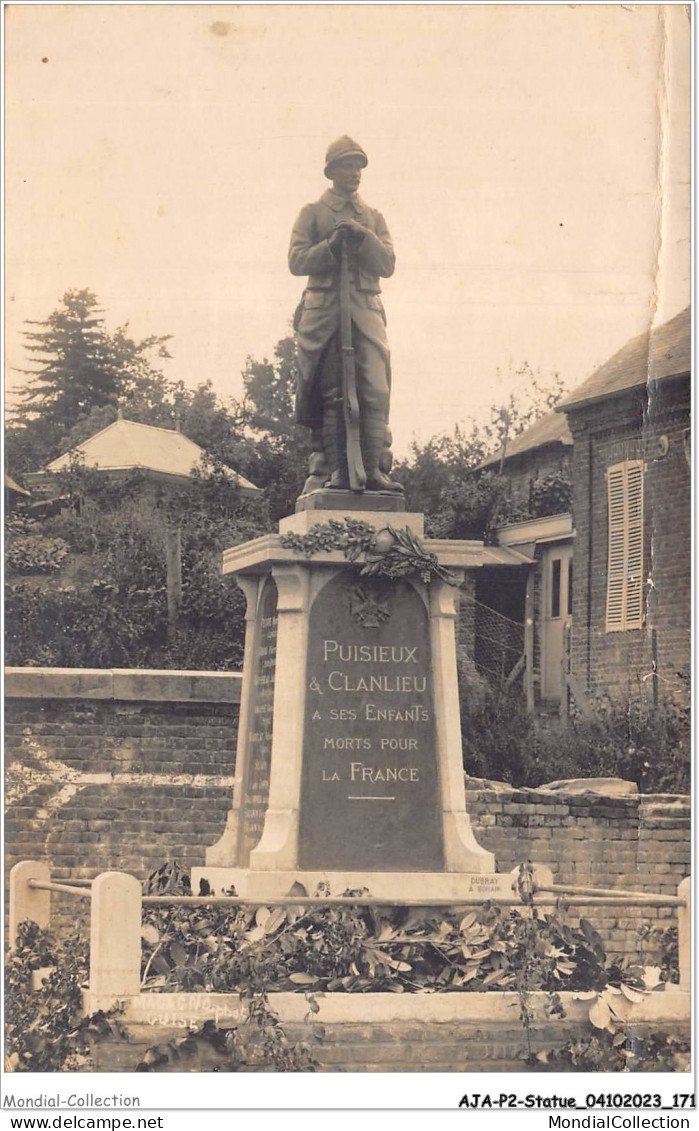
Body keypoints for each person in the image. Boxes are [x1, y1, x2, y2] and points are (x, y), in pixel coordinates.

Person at [289, 136, 403, 493]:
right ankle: (332, 471)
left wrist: (363, 236)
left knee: (374, 388)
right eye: (347, 165)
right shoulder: (313, 212)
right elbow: (296, 260)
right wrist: (331, 246)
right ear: (331, 171)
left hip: (365, 312)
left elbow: (387, 264)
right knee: (329, 391)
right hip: (324, 313)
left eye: (359, 166)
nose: (354, 173)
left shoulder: (373, 217)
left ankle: (372, 471)